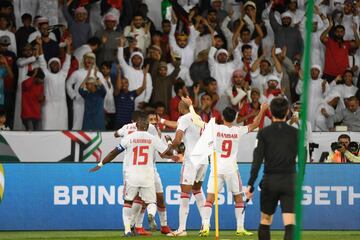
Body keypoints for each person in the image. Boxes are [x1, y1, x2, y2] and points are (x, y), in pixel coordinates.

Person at [182, 96, 268, 237]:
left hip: (217, 169)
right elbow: (255, 124)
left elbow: (196, 121)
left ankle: (205, 226)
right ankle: (240, 228)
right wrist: (262, 110)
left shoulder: (214, 128)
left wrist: (191, 106)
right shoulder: (237, 130)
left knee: (210, 199)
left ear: (222, 117)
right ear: (234, 118)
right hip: (232, 170)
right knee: (238, 198)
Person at [89, 112, 179, 237]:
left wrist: (100, 164)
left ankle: (128, 229)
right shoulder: (152, 138)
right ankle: (149, 216)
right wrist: (170, 144)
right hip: (148, 173)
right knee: (152, 202)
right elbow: (166, 153)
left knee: (128, 201)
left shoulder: (128, 136)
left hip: (131, 173)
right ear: (147, 126)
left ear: (136, 124)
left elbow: (114, 152)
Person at [246, 97, 298, 240]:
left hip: (270, 181)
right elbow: (303, 156)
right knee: (290, 222)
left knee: (265, 221)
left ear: (271, 111)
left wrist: (250, 184)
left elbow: (257, 161)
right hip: (289, 181)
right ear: (287, 111)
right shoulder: (295, 133)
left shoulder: (264, 133)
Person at [167, 99, 208, 237]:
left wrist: (169, 145)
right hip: (203, 159)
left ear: (180, 107)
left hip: (192, 160)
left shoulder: (183, 118)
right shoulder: (198, 118)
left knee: (185, 194)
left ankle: (181, 229)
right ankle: (205, 225)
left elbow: (178, 140)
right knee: (197, 190)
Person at [38, 36, 71, 130]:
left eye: (57, 64)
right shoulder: (46, 74)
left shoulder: (63, 74)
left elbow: (67, 61)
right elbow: (41, 60)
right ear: (49, 66)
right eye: (52, 64)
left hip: (61, 105)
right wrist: (40, 45)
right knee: (47, 125)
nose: (55, 65)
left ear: (60, 65)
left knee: (62, 126)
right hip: (48, 104)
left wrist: (68, 45)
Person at [113, 64, 147, 129]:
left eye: (126, 82)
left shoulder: (132, 94)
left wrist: (145, 74)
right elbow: (118, 87)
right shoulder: (117, 94)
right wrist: (119, 73)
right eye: (122, 83)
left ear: (128, 84)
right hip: (118, 123)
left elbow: (143, 87)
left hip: (129, 123)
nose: (124, 84)